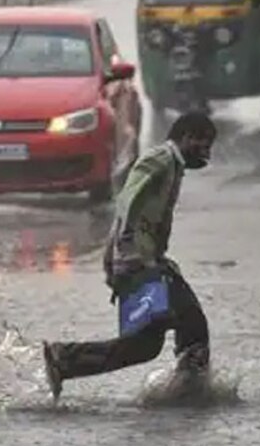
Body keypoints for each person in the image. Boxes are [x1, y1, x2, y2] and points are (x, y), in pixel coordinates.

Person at [42, 112, 217, 401]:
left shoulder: (173, 165)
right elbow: (128, 203)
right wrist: (128, 257)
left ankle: (64, 359)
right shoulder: (160, 159)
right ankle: (192, 388)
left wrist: (117, 259)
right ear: (187, 137)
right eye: (204, 143)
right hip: (141, 263)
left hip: (142, 261)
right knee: (193, 322)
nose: (207, 153)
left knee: (143, 347)